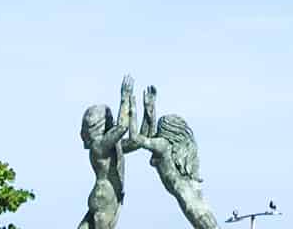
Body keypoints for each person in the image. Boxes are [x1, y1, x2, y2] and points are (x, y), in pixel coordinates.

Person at [133, 86, 220, 229]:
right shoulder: (169, 149)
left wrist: (132, 110)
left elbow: (137, 139)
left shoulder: (163, 146)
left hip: (191, 204)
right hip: (196, 203)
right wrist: (150, 110)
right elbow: (150, 135)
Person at [77, 81, 137, 229]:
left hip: (102, 196)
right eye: (110, 119)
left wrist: (146, 112)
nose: (112, 121)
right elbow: (122, 127)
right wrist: (125, 98)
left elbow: (135, 142)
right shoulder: (100, 146)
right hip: (105, 199)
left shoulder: (109, 147)